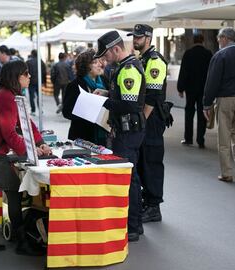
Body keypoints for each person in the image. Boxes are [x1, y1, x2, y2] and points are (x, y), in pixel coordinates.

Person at [0, 60, 52, 254]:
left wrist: (39, 142)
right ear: (17, 77)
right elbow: (9, 133)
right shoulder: (7, 98)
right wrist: (31, 150)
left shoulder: (5, 95)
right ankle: (21, 241)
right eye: (26, 74)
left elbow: (27, 122)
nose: (30, 76)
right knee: (13, 191)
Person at [95, 31, 146, 242]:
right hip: (126, 130)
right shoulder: (124, 67)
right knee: (130, 177)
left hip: (128, 132)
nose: (103, 59)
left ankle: (132, 226)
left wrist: (102, 102)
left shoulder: (129, 69)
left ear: (116, 49)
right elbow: (125, 98)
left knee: (129, 179)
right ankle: (134, 224)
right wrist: (106, 94)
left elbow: (130, 104)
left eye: (105, 55)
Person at [203, 27, 235, 182]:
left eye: (219, 38)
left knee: (224, 136)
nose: (218, 41)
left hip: (226, 98)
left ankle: (226, 173)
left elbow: (212, 81)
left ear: (225, 38)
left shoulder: (220, 55)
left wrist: (206, 104)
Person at [128, 24, 168, 223]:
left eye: (138, 37)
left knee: (151, 161)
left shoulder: (155, 61)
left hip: (151, 118)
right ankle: (148, 201)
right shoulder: (142, 59)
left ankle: (154, 207)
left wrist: (142, 120)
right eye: (134, 36)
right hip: (146, 117)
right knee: (143, 160)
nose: (135, 40)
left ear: (148, 38)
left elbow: (152, 95)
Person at [62, 49, 108, 146]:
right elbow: (66, 112)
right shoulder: (74, 85)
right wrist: (88, 106)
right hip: (82, 136)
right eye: (95, 62)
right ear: (86, 66)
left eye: (99, 61)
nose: (100, 64)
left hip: (102, 136)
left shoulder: (104, 82)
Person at [178, 33, 212, 148]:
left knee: (189, 112)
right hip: (204, 89)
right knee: (202, 114)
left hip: (190, 89)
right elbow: (211, 73)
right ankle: (200, 140)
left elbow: (183, 71)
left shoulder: (188, 53)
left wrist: (180, 88)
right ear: (203, 41)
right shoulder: (208, 54)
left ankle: (188, 139)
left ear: (193, 41)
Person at [26, 49, 46, 115]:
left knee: (31, 96)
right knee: (39, 96)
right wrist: (44, 81)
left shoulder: (28, 62)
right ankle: (40, 109)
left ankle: (33, 110)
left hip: (31, 81)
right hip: (39, 82)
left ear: (32, 54)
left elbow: (26, 72)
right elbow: (44, 72)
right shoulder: (41, 61)